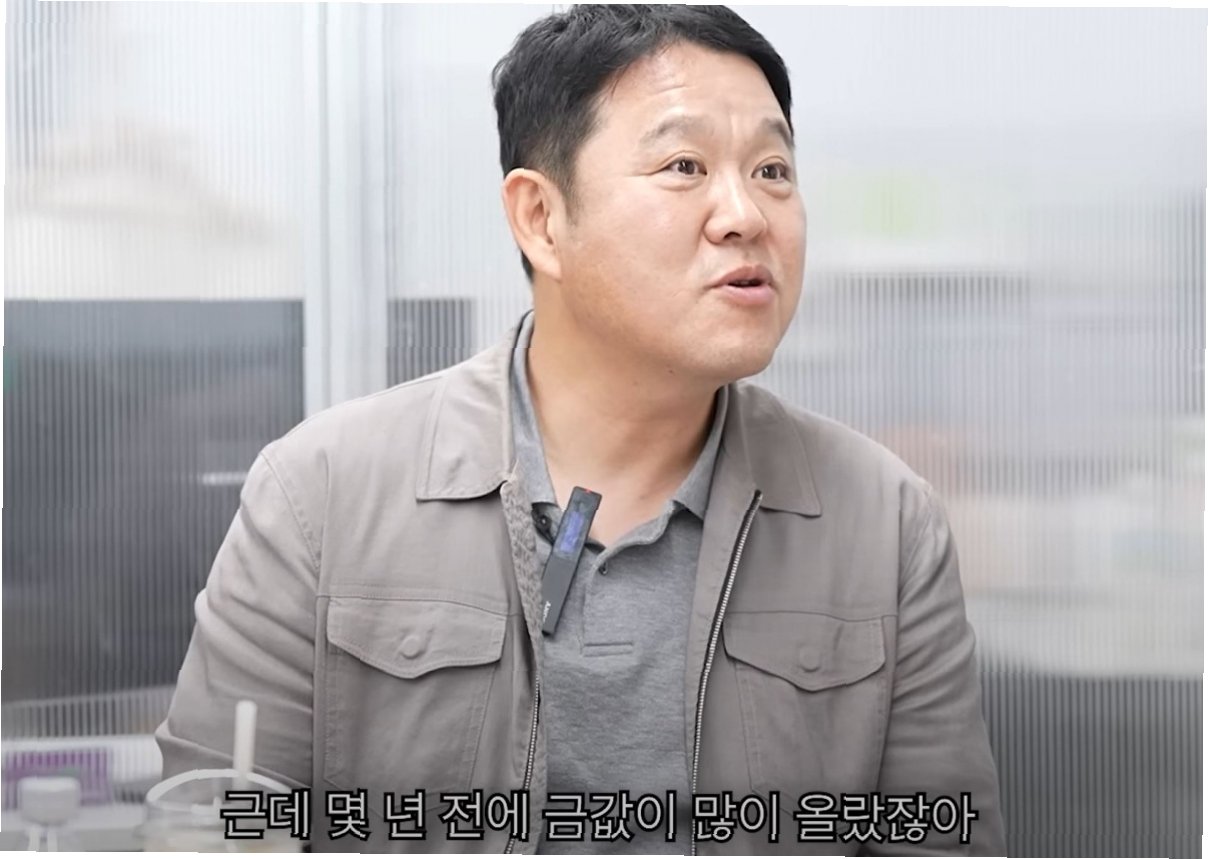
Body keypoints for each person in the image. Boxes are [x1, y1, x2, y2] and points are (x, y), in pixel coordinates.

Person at [157, 5, 1007, 854]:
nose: (746, 214)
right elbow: (209, 824)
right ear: (540, 218)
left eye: (773, 169)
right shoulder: (322, 493)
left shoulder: (884, 523)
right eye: (684, 165)